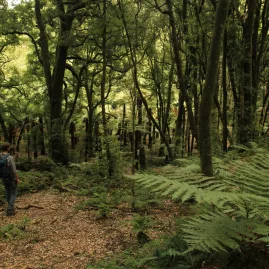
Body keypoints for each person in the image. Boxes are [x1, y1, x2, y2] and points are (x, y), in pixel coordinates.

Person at [0, 142, 19, 216]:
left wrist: (15, 157)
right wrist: (17, 178)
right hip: (11, 178)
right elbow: (13, 170)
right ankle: (10, 209)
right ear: (8, 148)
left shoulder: (0, 156)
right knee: (14, 193)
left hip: (4, 177)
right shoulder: (10, 157)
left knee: (7, 192)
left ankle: (10, 207)